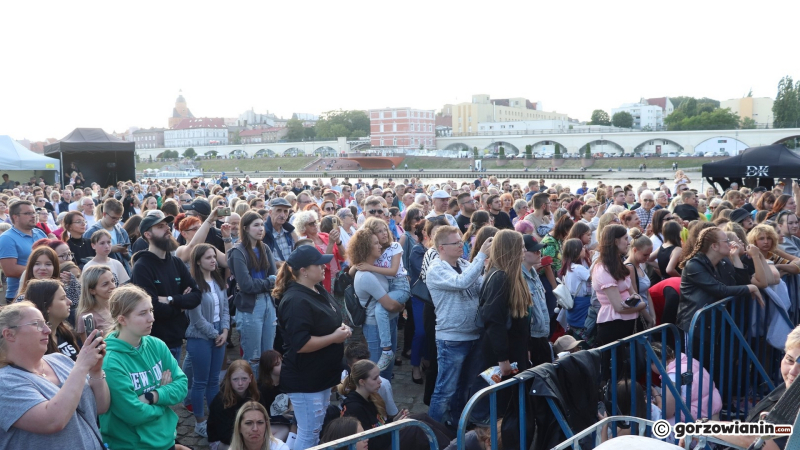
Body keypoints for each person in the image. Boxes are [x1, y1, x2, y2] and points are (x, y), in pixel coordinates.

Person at [0, 300, 109, 449]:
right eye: (37, 324)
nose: (47, 330)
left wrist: (95, 370)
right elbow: (52, 421)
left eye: (46, 323)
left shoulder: (60, 359)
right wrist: (82, 366)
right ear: (9, 334)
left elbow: (100, 407)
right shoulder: (5, 382)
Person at [273, 245, 351, 449]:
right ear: (303, 271)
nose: (324, 267)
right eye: (318, 264)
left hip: (320, 375)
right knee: (309, 434)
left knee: (315, 430)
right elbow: (301, 344)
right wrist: (334, 337)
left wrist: (341, 329)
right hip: (305, 379)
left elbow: (329, 319)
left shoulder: (316, 288)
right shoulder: (295, 301)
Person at [100, 284, 190, 450]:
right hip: (132, 445)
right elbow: (133, 413)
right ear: (122, 319)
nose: (151, 318)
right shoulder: (111, 361)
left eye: (151, 310)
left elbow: (182, 385)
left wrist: (153, 396)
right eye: (143, 313)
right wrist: (164, 402)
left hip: (166, 440)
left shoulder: (156, 344)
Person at [425, 225, 493, 423]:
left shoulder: (464, 264)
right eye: (455, 243)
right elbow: (460, 282)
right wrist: (481, 256)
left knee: (464, 388)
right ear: (441, 248)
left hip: (473, 334)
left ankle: (456, 426)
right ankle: (433, 432)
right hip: (452, 339)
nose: (460, 246)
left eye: (461, 242)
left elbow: (480, 287)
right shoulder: (436, 269)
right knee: (444, 391)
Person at [130, 211, 202, 361]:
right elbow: (153, 308)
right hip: (154, 344)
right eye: (160, 226)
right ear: (148, 234)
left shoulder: (176, 262)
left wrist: (171, 299)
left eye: (167, 225)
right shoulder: (142, 267)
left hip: (176, 339)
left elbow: (196, 296)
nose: (167, 228)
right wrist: (181, 305)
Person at [339, 359, 453, 450]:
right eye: (375, 378)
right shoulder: (355, 408)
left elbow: (379, 425)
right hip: (380, 445)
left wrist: (394, 421)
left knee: (422, 417)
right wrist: (396, 426)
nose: (380, 381)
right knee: (416, 429)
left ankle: (455, 442)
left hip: (384, 438)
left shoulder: (368, 397)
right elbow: (371, 443)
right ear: (362, 382)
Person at [477, 230, 532, 413]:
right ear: (511, 250)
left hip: (515, 349)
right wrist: (503, 358)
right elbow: (494, 321)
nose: (525, 251)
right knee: (505, 405)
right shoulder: (499, 278)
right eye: (521, 247)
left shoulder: (511, 276)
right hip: (504, 354)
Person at [350, 218, 410, 374]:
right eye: (375, 241)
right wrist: (400, 307)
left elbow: (394, 272)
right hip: (376, 325)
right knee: (378, 373)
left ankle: (388, 352)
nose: (384, 235)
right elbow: (389, 305)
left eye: (385, 230)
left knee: (386, 372)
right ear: (366, 245)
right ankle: (387, 349)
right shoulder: (366, 274)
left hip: (389, 317)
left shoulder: (386, 253)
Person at [677, 227, 763, 333]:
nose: (730, 244)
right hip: (695, 326)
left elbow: (741, 283)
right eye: (726, 241)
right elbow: (719, 290)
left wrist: (736, 257)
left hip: (714, 325)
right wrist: (750, 288)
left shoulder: (723, 262)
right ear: (714, 246)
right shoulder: (694, 265)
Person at [186, 243, 231, 437]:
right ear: (198, 261)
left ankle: (214, 418)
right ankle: (200, 422)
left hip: (220, 332)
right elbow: (196, 319)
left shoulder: (218, 280)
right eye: (208, 257)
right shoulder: (193, 285)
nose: (213, 260)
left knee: (214, 381)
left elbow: (225, 308)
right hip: (200, 336)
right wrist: (216, 334)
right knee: (200, 382)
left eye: (214, 256)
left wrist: (226, 331)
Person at [228, 211, 278, 370]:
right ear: (245, 228)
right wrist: (269, 282)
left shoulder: (265, 248)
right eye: (256, 225)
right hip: (250, 306)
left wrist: (269, 282)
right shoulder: (238, 251)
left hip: (268, 302)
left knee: (269, 355)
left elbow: (275, 279)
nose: (261, 228)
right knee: (253, 358)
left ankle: (266, 385)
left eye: (262, 224)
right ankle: (253, 385)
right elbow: (246, 285)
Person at [592, 225, 654, 348]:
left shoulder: (618, 264)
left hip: (629, 323)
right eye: (625, 238)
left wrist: (648, 317)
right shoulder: (603, 268)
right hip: (614, 326)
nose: (628, 242)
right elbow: (619, 307)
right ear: (616, 241)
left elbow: (633, 293)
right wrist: (642, 305)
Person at [650, 342, 721, 425]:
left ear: (654, 363)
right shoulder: (691, 361)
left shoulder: (671, 376)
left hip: (694, 423)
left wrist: (656, 395)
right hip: (713, 416)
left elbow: (667, 413)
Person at [207, 360, 262, 449]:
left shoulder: (256, 394)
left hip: (250, 433)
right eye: (235, 379)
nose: (240, 383)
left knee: (282, 430)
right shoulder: (221, 401)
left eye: (244, 379)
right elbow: (224, 435)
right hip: (224, 440)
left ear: (250, 378)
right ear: (229, 380)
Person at [0, 200, 48, 302]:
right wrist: (44, 270)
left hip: (45, 290)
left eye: (34, 213)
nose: (33, 216)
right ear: (15, 217)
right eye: (27, 213)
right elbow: (10, 270)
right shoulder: (7, 238)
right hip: (21, 296)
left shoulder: (40, 233)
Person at [293, 210, 344, 294]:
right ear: (303, 227)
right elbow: (324, 264)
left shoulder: (325, 235)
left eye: (315, 221)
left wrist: (338, 241)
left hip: (338, 278)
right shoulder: (307, 245)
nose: (315, 225)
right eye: (311, 224)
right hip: (325, 281)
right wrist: (331, 243)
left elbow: (343, 256)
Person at [83, 198, 132, 276]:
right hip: (102, 275)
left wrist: (126, 253)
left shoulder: (122, 232)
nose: (116, 221)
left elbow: (130, 256)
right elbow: (87, 258)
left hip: (123, 273)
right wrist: (110, 249)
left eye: (119, 218)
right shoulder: (91, 232)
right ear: (104, 214)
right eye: (113, 218)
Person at [75, 265, 116, 341]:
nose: (112, 286)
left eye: (113, 281)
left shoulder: (119, 307)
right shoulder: (87, 318)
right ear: (92, 290)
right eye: (105, 284)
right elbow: (89, 346)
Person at [263, 198, 299, 265]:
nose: (282, 215)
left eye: (285, 211)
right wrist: (275, 264)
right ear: (270, 212)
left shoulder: (290, 232)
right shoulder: (263, 232)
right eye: (279, 210)